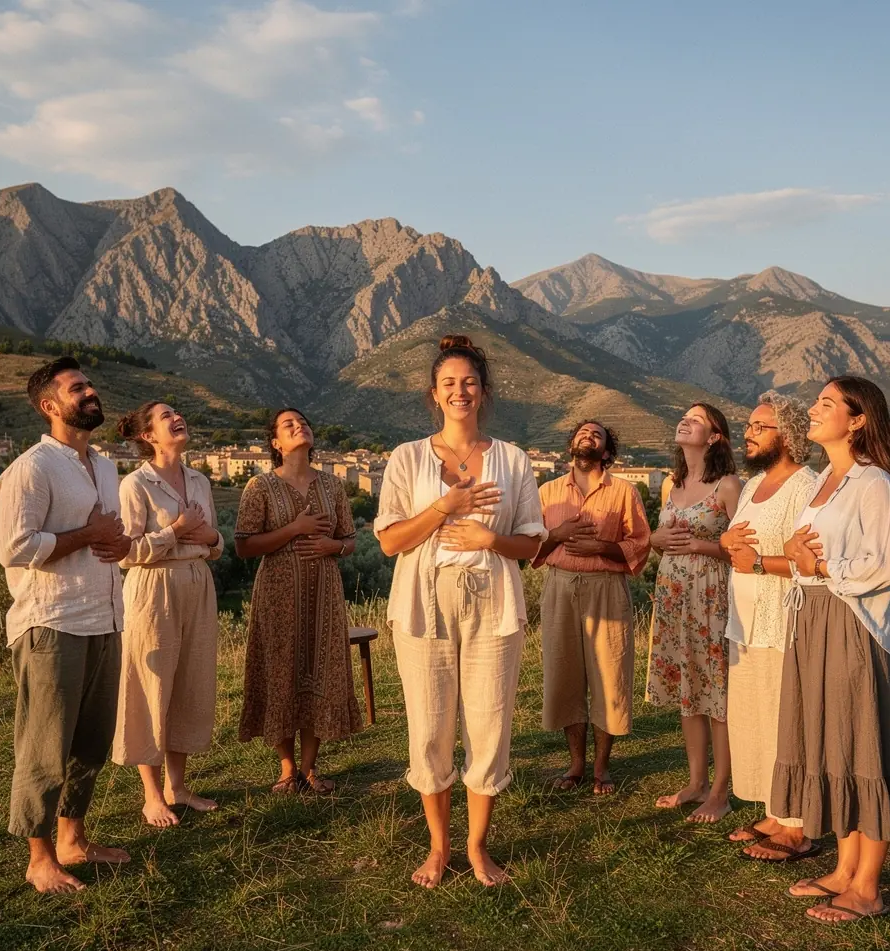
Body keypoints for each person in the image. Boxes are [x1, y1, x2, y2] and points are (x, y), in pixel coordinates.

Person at [375, 335, 546, 889]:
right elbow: (390, 541)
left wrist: (488, 538)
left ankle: (476, 846)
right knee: (429, 725)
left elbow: (533, 546)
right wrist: (443, 507)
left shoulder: (514, 459)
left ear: (484, 392)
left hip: (493, 605)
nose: (459, 391)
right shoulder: (406, 458)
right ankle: (438, 847)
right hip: (423, 605)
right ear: (434, 394)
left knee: (490, 722)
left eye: (469, 382)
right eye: (449, 383)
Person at [772, 377, 890, 924]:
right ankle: (844, 870)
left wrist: (820, 567)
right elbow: (803, 550)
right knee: (831, 743)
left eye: (826, 403)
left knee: (861, 743)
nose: (812, 409)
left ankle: (868, 888)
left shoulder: (875, 484)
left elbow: (886, 568)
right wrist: (793, 550)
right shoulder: (825, 480)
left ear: (857, 420)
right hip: (812, 618)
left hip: (852, 624)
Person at [0, 357, 132, 893]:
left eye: (91, 384)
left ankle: (74, 839)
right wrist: (87, 532)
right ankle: (40, 858)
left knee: (92, 742)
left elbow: (107, 538)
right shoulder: (31, 468)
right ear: (50, 406)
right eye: (79, 388)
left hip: (105, 617)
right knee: (45, 745)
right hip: (52, 622)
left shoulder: (104, 466)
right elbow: (16, 548)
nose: (92, 392)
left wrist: (115, 541)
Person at [235, 408, 362, 794]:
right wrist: (296, 529)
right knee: (281, 672)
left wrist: (333, 546)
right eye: (289, 425)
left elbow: (352, 540)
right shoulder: (259, 487)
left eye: (304, 422)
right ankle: (286, 769)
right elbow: (243, 546)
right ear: (275, 442)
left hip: (324, 592)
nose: (300, 426)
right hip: (277, 594)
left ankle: (310, 768)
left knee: (318, 670)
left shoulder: (333, 486)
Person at [111, 402, 224, 827]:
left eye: (178, 411)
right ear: (147, 435)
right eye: (165, 416)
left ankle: (179, 786)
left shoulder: (199, 481)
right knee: (151, 683)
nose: (177, 418)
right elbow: (127, 553)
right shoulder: (134, 485)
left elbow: (216, 543)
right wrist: (176, 530)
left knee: (190, 684)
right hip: (152, 589)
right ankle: (152, 795)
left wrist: (203, 534)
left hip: (198, 582)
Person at [719, 392, 817, 860]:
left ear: (789, 434)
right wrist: (724, 540)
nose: (749, 433)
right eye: (750, 426)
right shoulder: (754, 484)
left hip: (784, 620)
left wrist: (758, 564)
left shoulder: (806, 486)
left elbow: (811, 561)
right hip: (746, 622)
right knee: (753, 716)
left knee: (786, 721)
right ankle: (774, 810)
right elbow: (734, 544)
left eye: (760, 427)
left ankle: (799, 827)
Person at [533, 421, 650, 795]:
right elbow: (530, 546)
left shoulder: (624, 492)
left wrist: (601, 547)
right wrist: (559, 535)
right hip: (559, 588)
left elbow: (641, 543)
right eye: (583, 432)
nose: (589, 436)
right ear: (571, 445)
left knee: (609, 675)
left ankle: (602, 768)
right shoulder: (547, 492)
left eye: (596, 435)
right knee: (565, 675)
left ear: (606, 451)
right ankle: (575, 765)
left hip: (607, 589)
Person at [646, 403, 741, 823]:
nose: (685, 421)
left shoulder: (729, 486)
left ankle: (721, 791)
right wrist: (656, 537)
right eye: (684, 416)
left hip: (710, 595)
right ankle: (696, 782)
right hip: (672, 595)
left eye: (697, 419)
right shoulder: (672, 483)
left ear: (715, 436)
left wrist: (703, 546)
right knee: (689, 690)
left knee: (715, 692)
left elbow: (742, 552)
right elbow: (656, 537)